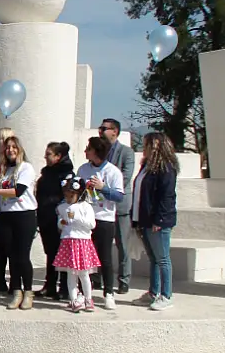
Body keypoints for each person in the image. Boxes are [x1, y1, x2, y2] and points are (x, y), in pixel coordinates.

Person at [0, 136, 38, 310]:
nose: (10, 150)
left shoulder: (26, 168)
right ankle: (16, 291)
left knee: (22, 256)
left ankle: (28, 292)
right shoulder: (4, 170)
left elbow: (18, 191)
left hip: (24, 215)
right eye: (7, 148)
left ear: (19, 149)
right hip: (7, 215)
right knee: (11, 255)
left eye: (13, 147)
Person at [131, 132, 178, 311]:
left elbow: (166, 196)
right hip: (144, 219)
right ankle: (153, 293)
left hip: (158, 222)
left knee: (163, 259)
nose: (144, 148)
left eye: (147, 144)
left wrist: (159, 219)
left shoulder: (166, 168)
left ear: (156, 145)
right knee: (154, 259)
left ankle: (166, 295)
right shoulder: (147, 166)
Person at [76, 137, 125, 310]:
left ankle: (109, 293)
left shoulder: (113, 171)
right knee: (84, 257)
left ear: (96, 152)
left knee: (105, 257)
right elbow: (76, 191)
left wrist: (103, 187)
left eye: (88, 149)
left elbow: (119, 196)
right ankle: (83, 293)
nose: (85, 151)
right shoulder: (83, 169)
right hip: (85, 219)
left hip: (104, 218)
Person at [52, 175, 100, 312]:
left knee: (83, 273)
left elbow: (91, 224)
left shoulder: (86, 207)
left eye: (71, 196)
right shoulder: (62, 207)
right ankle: (73, 300)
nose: (68, 198)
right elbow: (60, 223)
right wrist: (62, 223)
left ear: (79, 194)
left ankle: (88, 298)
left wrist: (76, 218)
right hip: (68, 241)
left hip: (82, 242)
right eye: (66, 196)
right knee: (70, 273)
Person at [99, 118, 136, 294]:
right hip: (102, 207)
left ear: (115, 131)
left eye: (104, 128)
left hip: (120, 206)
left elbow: (125, 177)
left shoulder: (126, 152)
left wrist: (104, 189)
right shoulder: (100, 151)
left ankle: (124, 280)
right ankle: (98, 277)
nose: (100, 131)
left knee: (123, 245)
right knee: (101, 244)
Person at [34, 142, 74, 300]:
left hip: (59, 219)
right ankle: (50, 285)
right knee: (50, 253)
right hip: (46, 217)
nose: (45, 157)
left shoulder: (66, 174)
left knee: (62, 253)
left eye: (49, 154)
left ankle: (64, 287)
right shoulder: (47, 174)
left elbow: (68, 197)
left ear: (58, 156)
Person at [0, 127, 15, 296]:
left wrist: (1, 175)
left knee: (11, 248)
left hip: (12, 210)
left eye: (3, 139)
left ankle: (15, 283)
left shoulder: (16, 163)